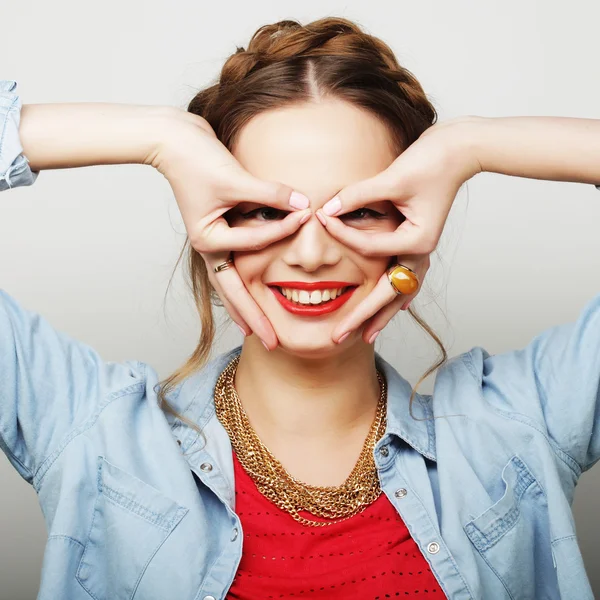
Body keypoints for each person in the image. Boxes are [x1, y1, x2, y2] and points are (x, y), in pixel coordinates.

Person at [1, 16, 600, 600]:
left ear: (415, 225)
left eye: (359, 209)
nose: (311, 255)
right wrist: (161, 139)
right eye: (266, 210)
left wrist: (471, 144)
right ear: (209, 224)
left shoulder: (521, 427)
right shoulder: (91, 432)